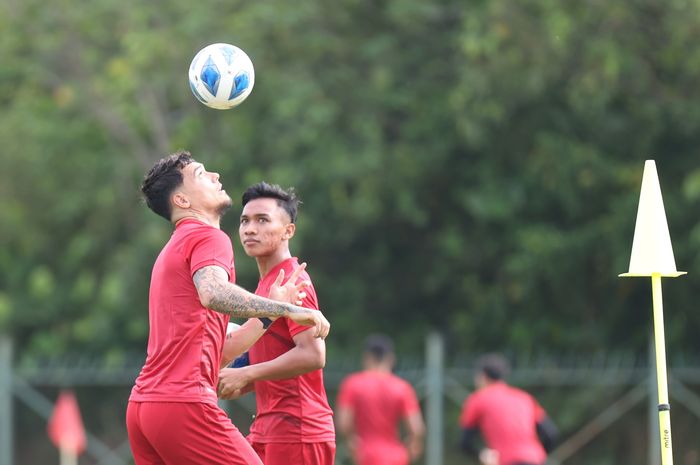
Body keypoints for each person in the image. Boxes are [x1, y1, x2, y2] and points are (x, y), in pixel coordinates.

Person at [126, 151, 330, 465]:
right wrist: (289, 310)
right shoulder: (209, 237)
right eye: (201, 174)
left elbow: (220, 349)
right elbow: (213, 292)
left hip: (144, 407)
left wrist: (270, 313)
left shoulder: (172, 248)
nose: (216, 176)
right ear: (182, 201)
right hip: (184, 404)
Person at [217, 182, 336, 465]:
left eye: (262, 220)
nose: (249, 229)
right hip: (269, 427)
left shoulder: (294, 281)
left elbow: (313, 354)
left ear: (289, 230)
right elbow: (279, 356)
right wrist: (244, 382)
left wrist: (246, 374)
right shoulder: (266, 286)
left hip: (299, 430)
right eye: (245, 220)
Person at [336, 334, 425, 465]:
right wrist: (413, 444)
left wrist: (351, 440)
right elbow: (416, 428)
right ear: (391, 359)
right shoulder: (402, 387)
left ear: (367, 357)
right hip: (396, 457)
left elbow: (343, 423)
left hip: (366, 455)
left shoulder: (352, 384)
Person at [459, 353, 558, 465]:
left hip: (506, 461)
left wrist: (481, 454)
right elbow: (550, 434)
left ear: (483, 376)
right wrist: (540, 457)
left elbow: (465, 443)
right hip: (535, 459)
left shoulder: (477, 399)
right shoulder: (524, 398)